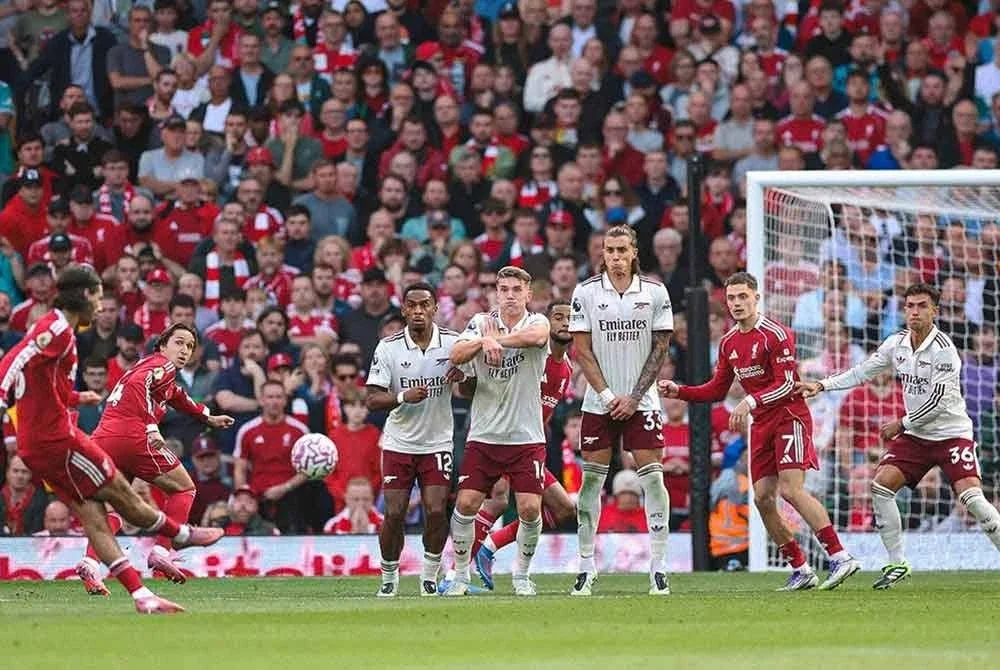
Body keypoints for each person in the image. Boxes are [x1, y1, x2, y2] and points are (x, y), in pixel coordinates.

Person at [0, 265, 222, 614]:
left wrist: (76, 398)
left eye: (189, 345)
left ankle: (136, 593)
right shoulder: (58, 328)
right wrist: (0, 401)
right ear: (82, 294)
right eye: (98, 295)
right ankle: (176, 537)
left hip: (46, 443)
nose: (102, 304)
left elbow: (44, 387)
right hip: (62, 439)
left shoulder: (68, 336)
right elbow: (14, 359)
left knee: (95, 512)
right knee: (131, 492)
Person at [660, 272, 861, 591]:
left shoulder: (775, 334)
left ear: (756, 298)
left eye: (743, 297)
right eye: (732, 299)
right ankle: (801, 568)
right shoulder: (728, 342)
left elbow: (786, 383)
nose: (737, 303)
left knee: (791, 491)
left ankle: (840, 556)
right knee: (763, 498)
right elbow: (716, 389)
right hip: (763, 424)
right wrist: (680, 391)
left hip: (790, 416)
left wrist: (749, 401)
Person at [798, 283, 1000, 589]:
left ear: (935, 311)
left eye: (922, 306)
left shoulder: (945, 350)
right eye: (910, 306)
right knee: (880, 488)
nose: (915, 311)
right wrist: (823, 385)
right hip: (917, 437)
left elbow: (939, 402)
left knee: (972, 498)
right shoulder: (897, 344)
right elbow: (862, 371)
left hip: (951, 434)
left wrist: (901, 423)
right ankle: (897, 563)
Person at [77, 322, 235, 590]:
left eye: (190, 346)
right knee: (184, 489)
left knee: (114, 507)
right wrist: (151, 428)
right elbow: (141, 385)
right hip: (132, 435)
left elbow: (181, 398)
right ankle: (161, 552)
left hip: (104, 437)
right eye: (179, 342)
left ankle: (90, 564)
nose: (184, 350)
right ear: (162, 346)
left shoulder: (157, 373)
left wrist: (209, 417)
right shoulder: (161, 365)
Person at [569, 224, 674, 596]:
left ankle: (659, 567)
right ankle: (585, 566)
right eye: (608, 250)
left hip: (642, 400)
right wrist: (610, 394)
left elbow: (660, 350)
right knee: (592, 480)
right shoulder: (584, 293)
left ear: (634, 252)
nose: (614, 257)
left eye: (621, 250)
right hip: (599, 401)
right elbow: (582, 350)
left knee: (653, 478)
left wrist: (632, 396)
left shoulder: (656, 293)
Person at [444, 265, 550, 596]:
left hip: (526, 436)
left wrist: (493, 340)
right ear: (496, 293)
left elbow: (537, 339)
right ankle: (461, 575)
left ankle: (521, 576)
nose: (509, 296)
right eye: (503, 289)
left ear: (528, 294)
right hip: (485, 436)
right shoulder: (478, 323)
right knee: (466, 503)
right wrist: (481, 339)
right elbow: (456, 354)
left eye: (516, 290)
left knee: (531, 508)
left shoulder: (537, 321)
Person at [472, 299, 577, 590]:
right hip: (503, 436)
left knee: (565, 509)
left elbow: (545, 412)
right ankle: (461, 571)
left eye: (570, 318)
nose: (565, 323)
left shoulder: (566, 368)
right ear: (546, 323)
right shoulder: (534, 356)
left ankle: (487, 548)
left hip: (529, 444)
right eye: (558, 317)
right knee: (496, 499)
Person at [365, 281, 461, 596]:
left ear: (435, 308)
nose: (418, 311)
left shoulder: (453, 344)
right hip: (399, 443)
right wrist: (404, 396)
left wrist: (462, 378)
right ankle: (389, 576)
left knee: (436, 510)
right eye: (412, 306)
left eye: (425, 305)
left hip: (437, 442)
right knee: (394, 512)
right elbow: (372, 400)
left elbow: (472, 390)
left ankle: (429, 576)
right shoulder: (388, 347)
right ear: (404, 310)